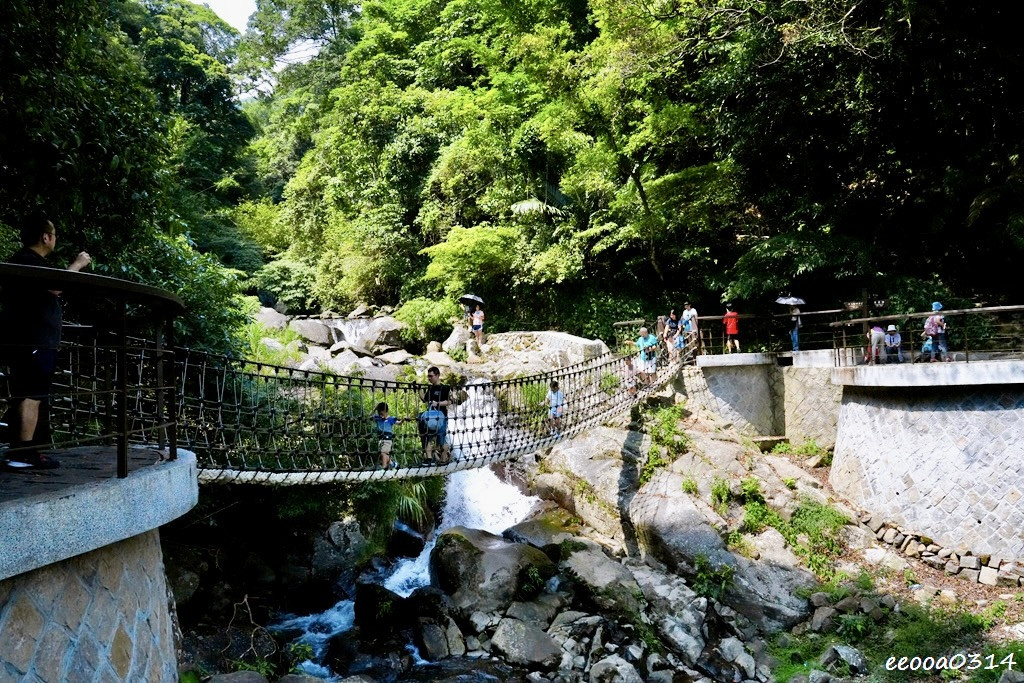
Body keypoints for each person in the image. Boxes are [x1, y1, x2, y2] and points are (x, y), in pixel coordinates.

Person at [1, 214, 91, 470]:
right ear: (45, 236)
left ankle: (26, 451)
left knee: (29, 393)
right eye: (54, 234)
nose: (55, 239)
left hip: (29, 339)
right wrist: (78, 264)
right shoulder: (28, 261)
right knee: (32, 393)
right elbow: (56, 286)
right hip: (33, 339)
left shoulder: (24, 261)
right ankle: (22, 454)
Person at [418, 366, 452, 465]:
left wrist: (437, 403)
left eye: (431, 376)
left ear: (437, 375)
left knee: (441, 442)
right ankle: (428, 459)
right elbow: (424, 399)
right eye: (428, 376)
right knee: (427, 438)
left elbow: (449, 401)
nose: (429, 378)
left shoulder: (445, 388)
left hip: (441, 418)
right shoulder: (430, 389)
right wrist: (419, 390)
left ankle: (444, 458)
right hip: (431, 418)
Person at [373, 402, 399, 469]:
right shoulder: (378, 418)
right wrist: (375, 409)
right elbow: (369, 416)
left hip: (387, 439)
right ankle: (392, 464)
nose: (381, 415)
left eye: (382, 413)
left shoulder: (390, 419)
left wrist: (403, 420)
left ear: (386, 411)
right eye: (379, 413)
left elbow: (399, 423)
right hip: (381, 439)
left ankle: (384, 467)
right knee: (383, 453)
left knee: (383, 453)